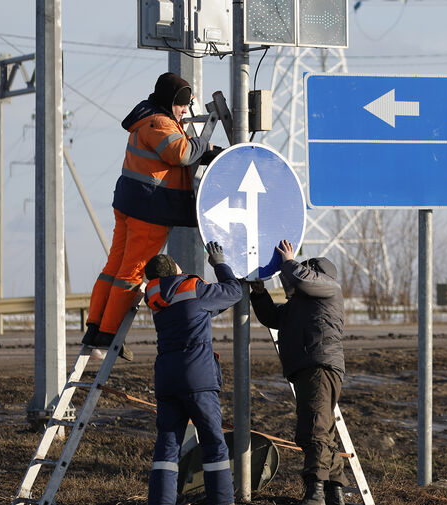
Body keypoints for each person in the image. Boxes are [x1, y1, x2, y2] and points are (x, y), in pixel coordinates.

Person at [82, 72, 223, 359]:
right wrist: (205, 147)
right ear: (171, 101)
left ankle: (94, 328)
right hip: (149, 210)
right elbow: (180, 154)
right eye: (183, 104)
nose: (186, 111)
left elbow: (178, 152)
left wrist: (212, 153)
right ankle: (109, 335)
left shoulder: (148, 118)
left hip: (131, 205)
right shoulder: (159, 122)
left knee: (114, 267)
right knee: (131, 273)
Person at [248, 239, 348, 505]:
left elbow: (302, 279)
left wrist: (289, 261)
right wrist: (259, 294)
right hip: (310, 367)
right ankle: (334, 490)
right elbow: (274, 318)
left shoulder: (329, 288)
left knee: (313, 430)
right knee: (323, 431)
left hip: (319, 366)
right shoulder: (301, 304)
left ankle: (315, 491)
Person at [144, 241, 241, 505]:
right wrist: (220, 265)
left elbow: (198, 310)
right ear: (175, 269)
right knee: (213, 443)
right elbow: (234, 292)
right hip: (197, 378)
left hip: (166, 379)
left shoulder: (154, 298)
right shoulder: (193, 289)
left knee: (167, 446)